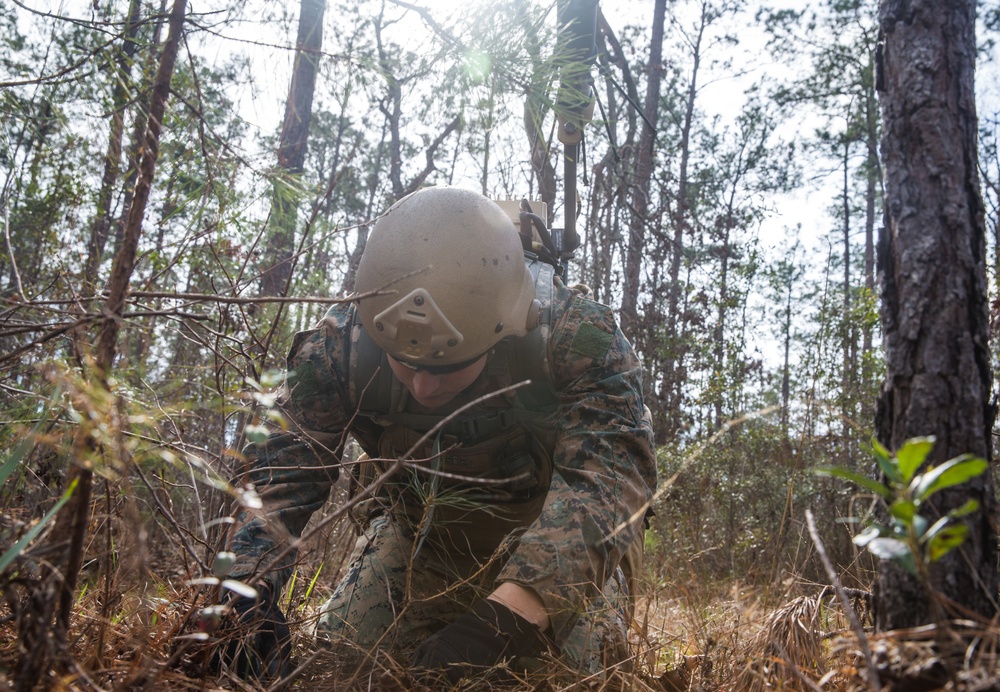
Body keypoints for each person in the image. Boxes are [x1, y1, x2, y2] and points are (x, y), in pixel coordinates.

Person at [221, 186, 657, 684]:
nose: (424, 386)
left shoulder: (575, 337)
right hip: (420, 539)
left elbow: (608, 483)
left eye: (448, 367)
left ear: (500, 334)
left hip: (561, 547)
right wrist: (245, 590)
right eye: (404, 365)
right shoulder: (340, 345)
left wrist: (509, 618)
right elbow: (280, 473)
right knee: (344, 665)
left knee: (566, 678)